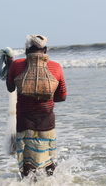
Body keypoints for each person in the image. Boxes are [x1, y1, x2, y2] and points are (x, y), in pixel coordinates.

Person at [6, 34, 67, 177]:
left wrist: (10, 65)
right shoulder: (56, 67)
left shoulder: (17, 65)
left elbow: (10, 88)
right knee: (49, 161)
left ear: (27, 51)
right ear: (45, 50)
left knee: (26, 164)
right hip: (46, 122)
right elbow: (62, 96)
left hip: (24, 123)